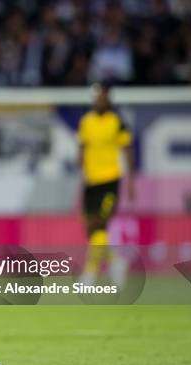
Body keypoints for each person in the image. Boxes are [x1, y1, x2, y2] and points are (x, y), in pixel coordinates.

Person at [78, 82, 135, 286]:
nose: (98, 100)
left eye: (102, 97)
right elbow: (82, 148)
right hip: (91, 181)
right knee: (91, 228)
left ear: (108, 98)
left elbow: (127, 150)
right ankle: (115, 262)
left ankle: (90, 273)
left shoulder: (117, 122)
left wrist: (131, 182)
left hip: (110, 180)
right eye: (96, 97)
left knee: (101, 224)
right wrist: (81, 173)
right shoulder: (86, 121)